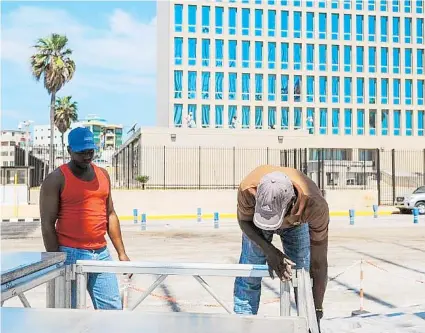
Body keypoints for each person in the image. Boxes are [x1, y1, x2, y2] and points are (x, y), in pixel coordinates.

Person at [40, 127, 130, 310]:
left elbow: (110, 214)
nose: (87, 156)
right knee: (69, 313)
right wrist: (56, 261)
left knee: (112, 311)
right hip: (70, 254)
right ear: (69, 150)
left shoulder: (102, 175)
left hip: (101, 253)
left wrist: (122, 253)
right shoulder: (56, 179)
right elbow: (47, 224)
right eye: (81, 152)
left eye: (90, 151)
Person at [233, 165, 329, 331]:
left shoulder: (314, 205)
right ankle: (242, 325)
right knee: (249, 273)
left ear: (291, 203)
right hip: (255, 225)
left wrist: (317, 310)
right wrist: (269, 251)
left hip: (296, 223)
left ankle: (307, 325)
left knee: (302, 277)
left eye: (274, 220)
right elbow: (244, 221)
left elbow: (318, 262)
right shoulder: (248, 189)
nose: (272, 227)